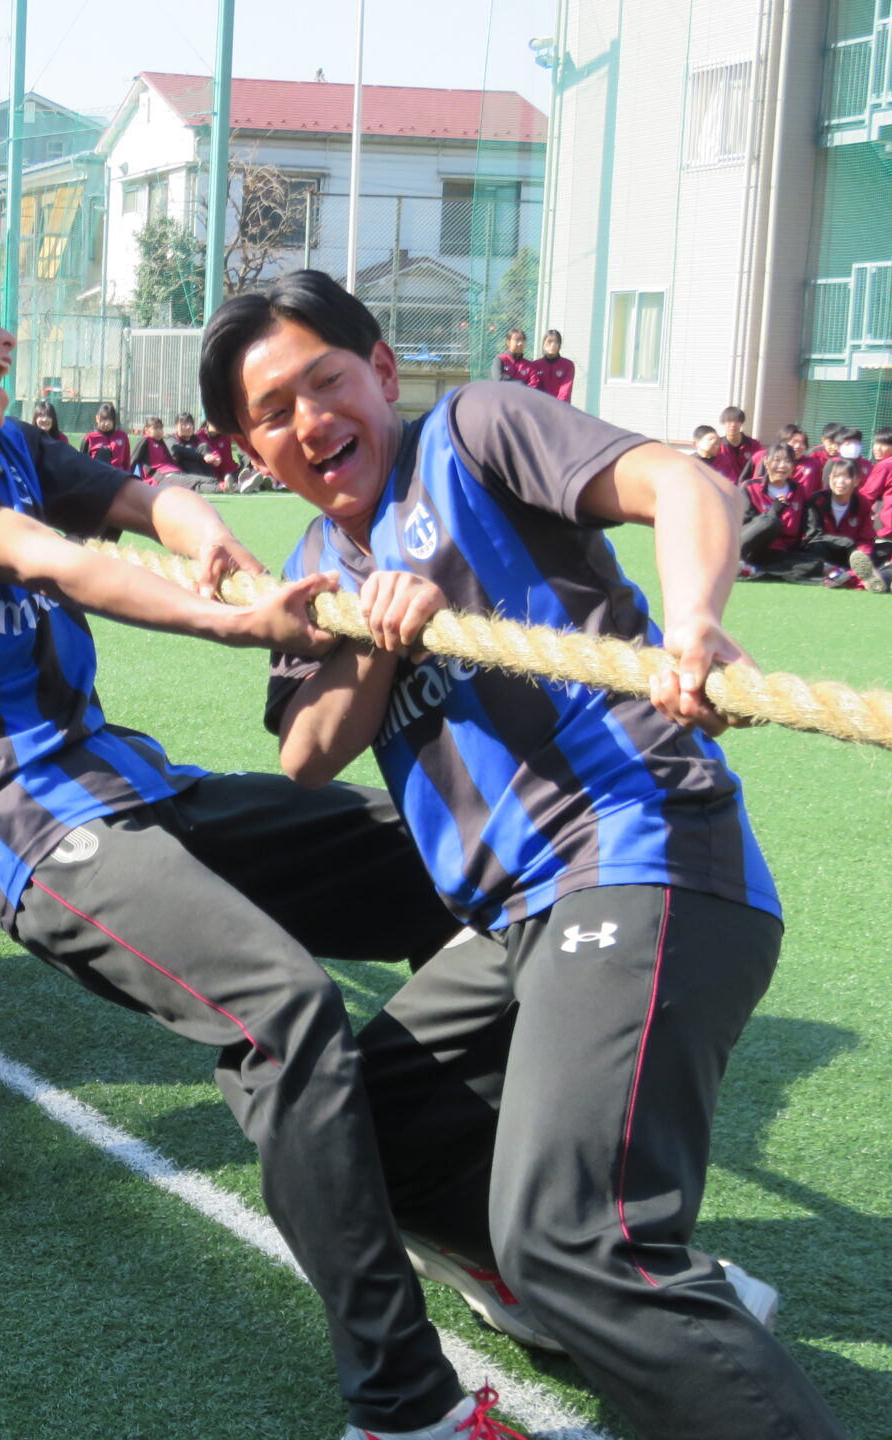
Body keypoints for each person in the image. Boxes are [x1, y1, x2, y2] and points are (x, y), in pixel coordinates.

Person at [0, 229, 488, 1438]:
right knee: (285, 1012)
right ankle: (404, 1407)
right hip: (34, 825)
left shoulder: (4, 444)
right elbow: (49, 557)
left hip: (136, 786)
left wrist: (198, 532)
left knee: (458, 871)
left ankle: (475, 1214)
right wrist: (226, 619)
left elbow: (135, 495)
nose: (6, 332)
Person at [200, 266, 844, 1440]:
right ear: (248, 448)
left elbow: (684, 482)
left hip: (639, 858)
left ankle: (603, 1282)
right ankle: (610, 1301)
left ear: (381, 371)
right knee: (350, 1141)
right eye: (273, 413)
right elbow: (306, 752)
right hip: (514, 927)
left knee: (576, 1240)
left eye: (326, 382)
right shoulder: (317, 563)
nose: (311, 421)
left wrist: (695, 623)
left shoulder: (475, 431)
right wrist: (375, 640)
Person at [739, 445, 821, 581]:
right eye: (777, 460)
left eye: (788, 461)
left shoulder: (799, 490)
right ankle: (736, 561)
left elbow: (806, 527)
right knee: (769, 521)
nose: (782, 466)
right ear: (766, 462)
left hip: (779, 551)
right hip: (749, 547)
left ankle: (755, 570)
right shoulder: (750, 487)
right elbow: (744, 525)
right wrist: (774, 512)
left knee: (815, 564)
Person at [804, 457, 874, 586]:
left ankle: (855, 574)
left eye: (847, 477)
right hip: (823, 551)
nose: (840, 481)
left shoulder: (862, 503)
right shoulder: (818, 500)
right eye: (836, 476)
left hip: (850, 552)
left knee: (884, 549)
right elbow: (812, 536)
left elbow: (866, 538)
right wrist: (844, 542)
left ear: (856, 481)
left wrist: (863, 554)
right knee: (816, 547)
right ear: (829, 478)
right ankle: (846, 575)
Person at [132, 414, 184, 483]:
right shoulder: (145, 440)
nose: (159, 431)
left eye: (161, 428)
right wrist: (130, 478)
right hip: (156, 474)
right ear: (146, 430)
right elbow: (133, 459)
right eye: (155, 428)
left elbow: (170, 460)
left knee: (189, 479)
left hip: (170, 470)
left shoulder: (161, 442)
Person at [79, 400, 129, 469]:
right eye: (104, 419)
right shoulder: (89, 438)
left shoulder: (122, 436)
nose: (107, 423)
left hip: (118, 474)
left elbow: (127, 462)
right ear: (97, 418)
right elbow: (81, 462)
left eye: (110, 420)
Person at [719, 406, 764, 480]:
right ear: (723, 423)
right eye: (729, 421)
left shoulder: (753, 444)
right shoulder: (717, 445)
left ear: (742, 423)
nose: (733, 425)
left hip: (748, 485)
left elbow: (761, 466)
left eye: (737, 421)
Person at [530, 328, 574, 401]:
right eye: (549, 341)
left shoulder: (568, 365)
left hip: (560, 405)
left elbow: (566, 389)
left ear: (560, 345)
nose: (553, 345)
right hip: (540, 404)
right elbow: (533, 387)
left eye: (556, 342)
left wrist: (558, 404)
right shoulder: (535, 365)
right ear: (543, 344)